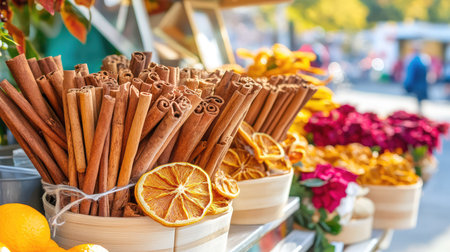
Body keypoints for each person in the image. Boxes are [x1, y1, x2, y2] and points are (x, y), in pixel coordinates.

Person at [403, 42, 429, 114]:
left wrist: (407, 84)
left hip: (417, 83)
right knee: (419, 99)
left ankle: (419, 112)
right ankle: (419, 111)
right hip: (422, 83)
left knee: (418, 99)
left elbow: (410, 73)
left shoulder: (413, 59)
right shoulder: (424, 59)